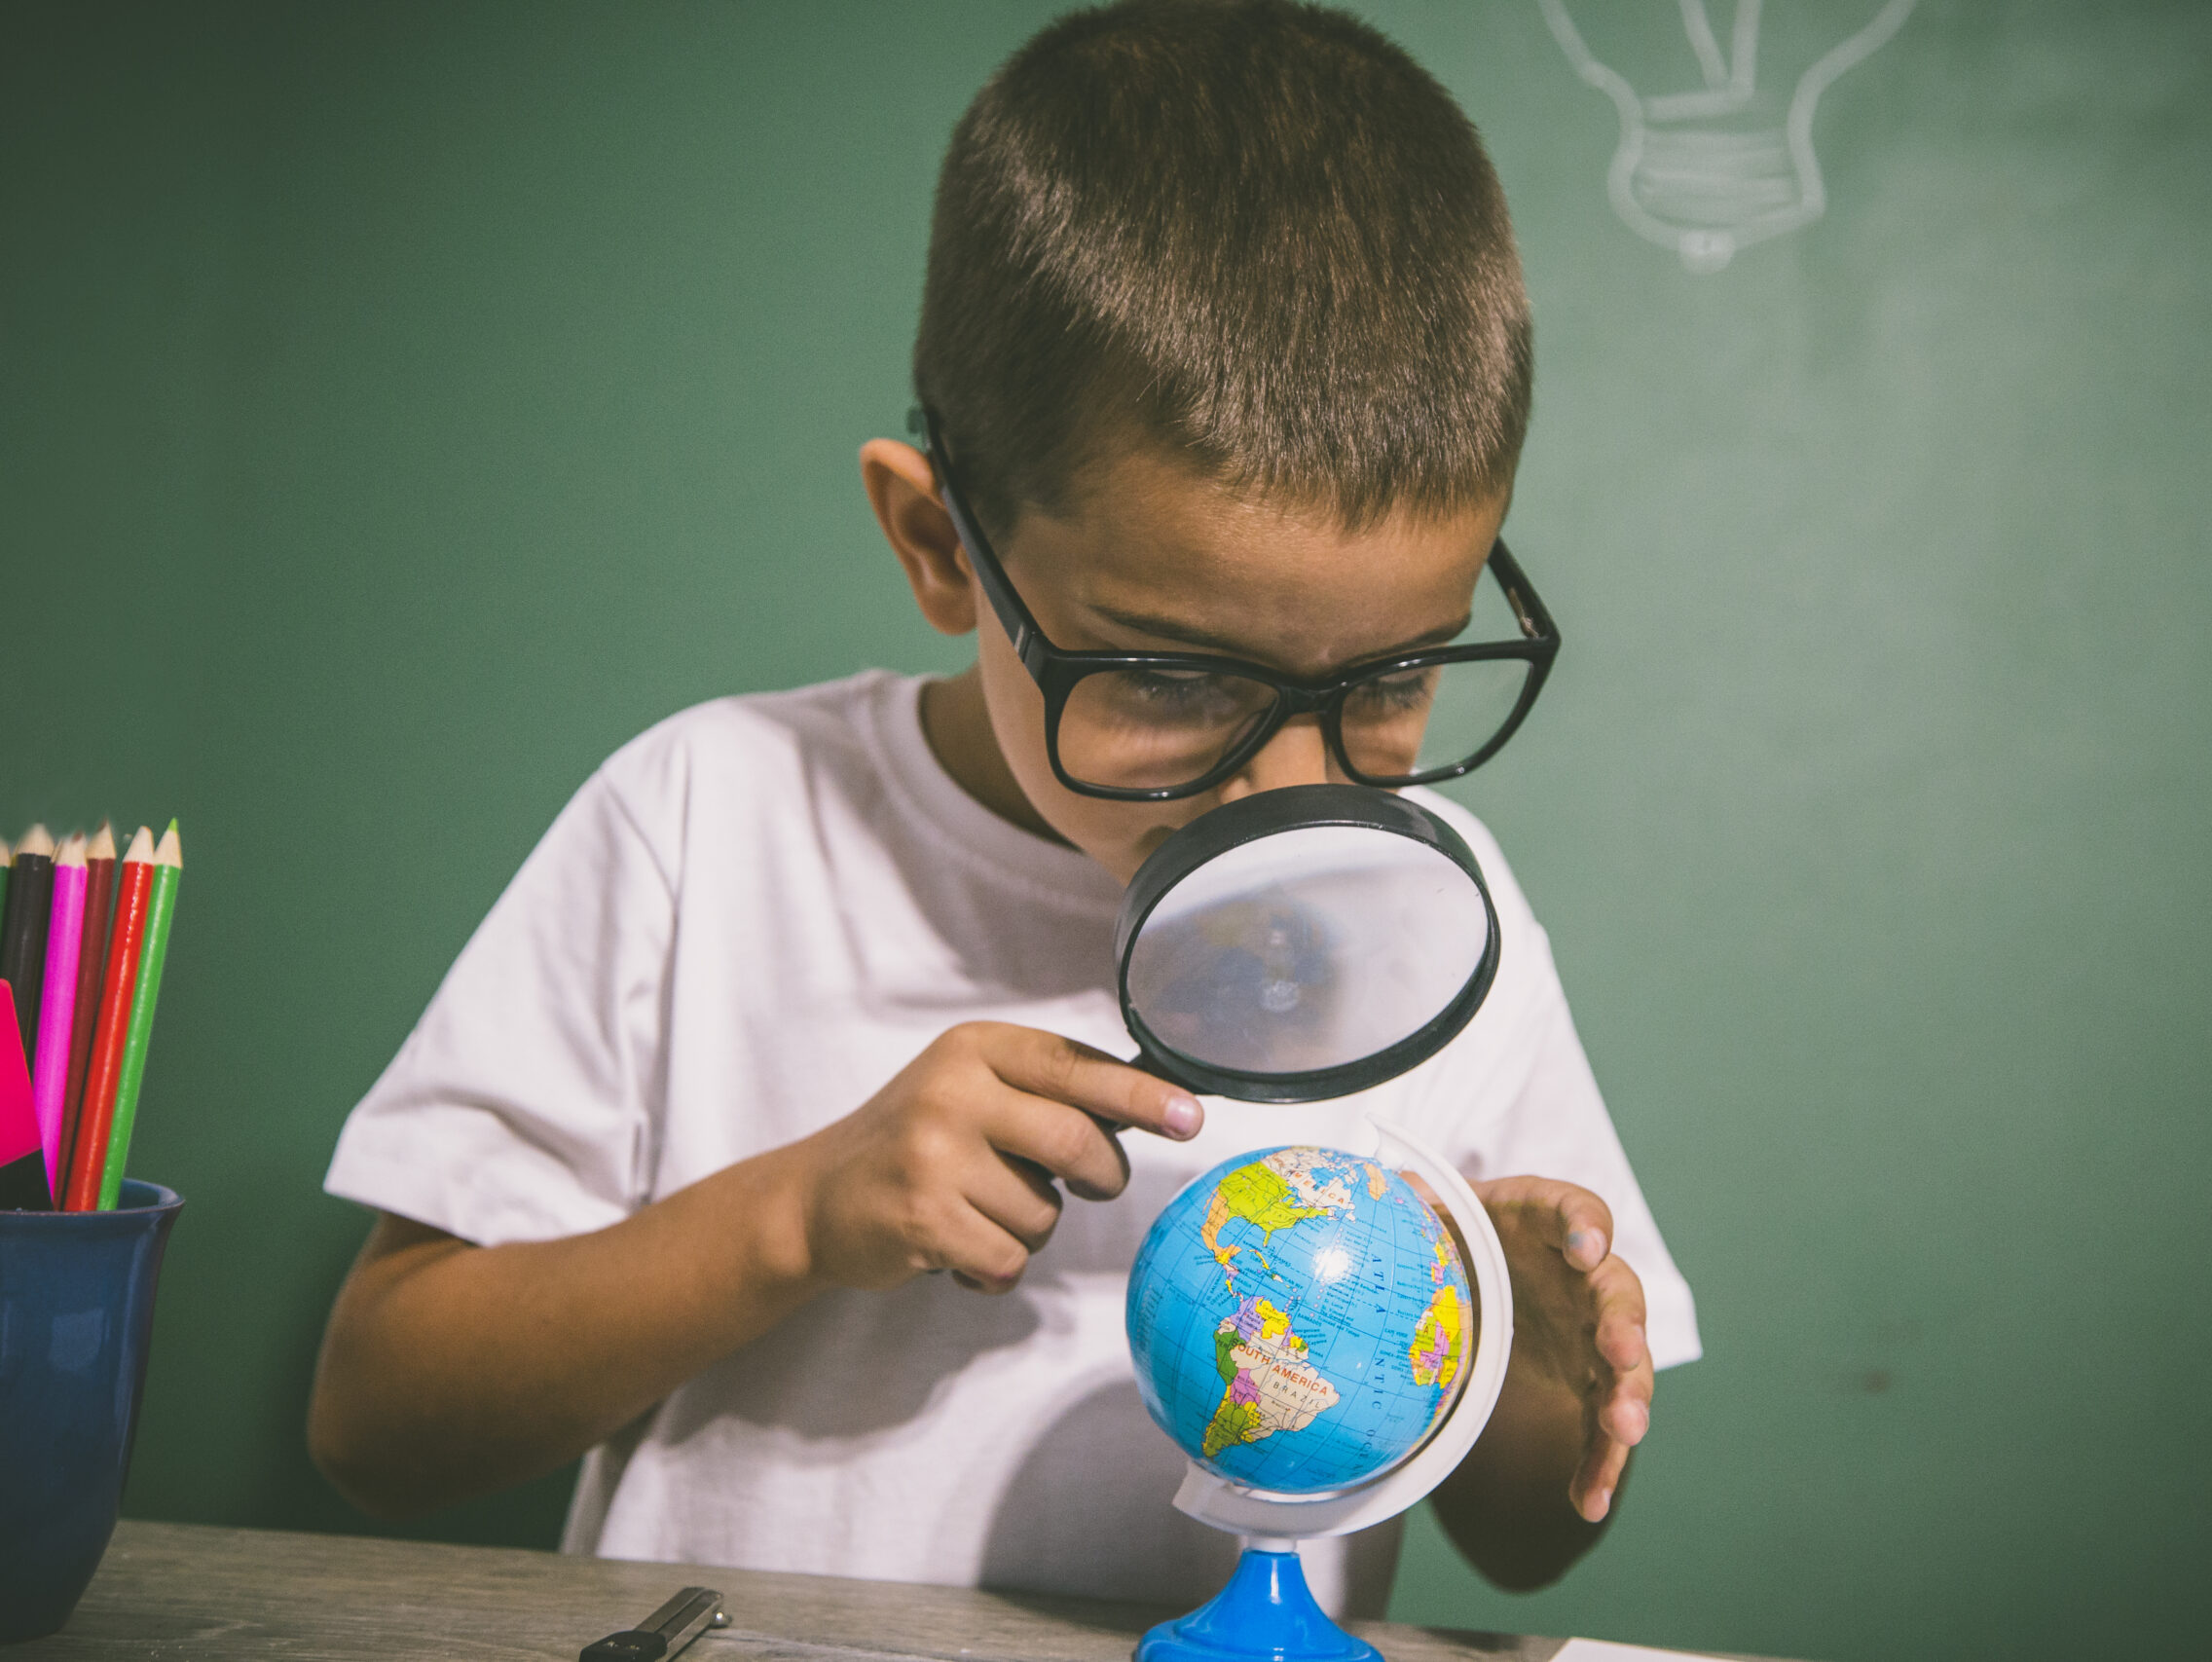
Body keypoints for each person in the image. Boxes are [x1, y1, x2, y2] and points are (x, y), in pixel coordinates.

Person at [308, 0, 1699, 1620]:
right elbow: (378, 1423)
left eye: (1392, 678)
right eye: (1174, 680)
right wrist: (793, 1216)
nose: (1294, 790)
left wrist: (1533, 1364)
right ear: (940, 547)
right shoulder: (708, 819)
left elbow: (1530, 1542)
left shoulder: (1445, 905)